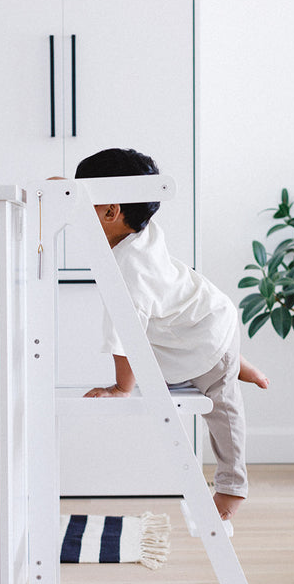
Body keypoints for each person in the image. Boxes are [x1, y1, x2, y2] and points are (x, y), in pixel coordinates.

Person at [78, 148, 268, 521]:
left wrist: (122, 388)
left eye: (81, 200)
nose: (75, 209)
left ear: (110, 212)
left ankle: (233, 487)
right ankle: (236, 361)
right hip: (196, 321)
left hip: (207, 333)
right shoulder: (137, 230)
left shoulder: (129, 269)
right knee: (210, 358)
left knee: (222, 408)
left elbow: (126, 334)